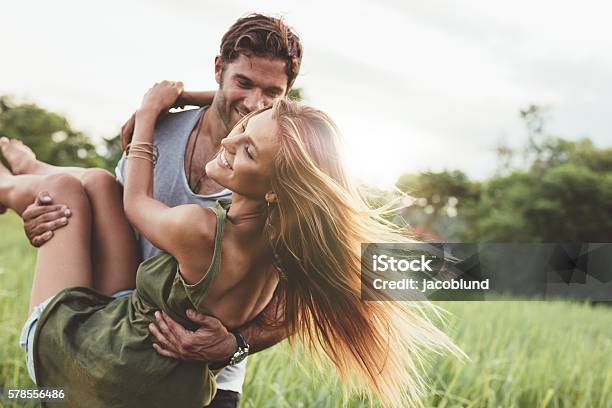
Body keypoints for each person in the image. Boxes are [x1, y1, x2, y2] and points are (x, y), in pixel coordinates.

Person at [0, 81, 462, 407]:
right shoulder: (290, 248)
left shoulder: (200, 229)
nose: (230, 140)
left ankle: (7, 186)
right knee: (100, 183)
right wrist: (192, 99)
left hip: (107, 367)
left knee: (64, 192)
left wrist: (147, 116)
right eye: (244, 126)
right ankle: (29, 166)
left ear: (278, 186)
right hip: (163, 373)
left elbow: (135, 203)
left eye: (248, 150)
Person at [9, 13, 304, 407]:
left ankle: (23, 177)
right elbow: (108, 205)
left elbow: (317, 298)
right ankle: (29, 174)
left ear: (286, 96)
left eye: (272, 93)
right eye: (243, 82)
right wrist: (43, 217)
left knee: (66, 188)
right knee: (89, 184)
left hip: (196, 375)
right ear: (219, 69)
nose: (255, 103)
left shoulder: (279, 184)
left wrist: (234, 345)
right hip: (120, 316)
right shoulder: (163, 133)